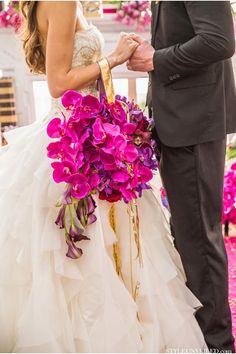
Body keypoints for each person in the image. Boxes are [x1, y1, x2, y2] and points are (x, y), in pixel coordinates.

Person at [0, 1, 208, 352]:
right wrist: (114, 57)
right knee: (86, 248)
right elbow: (57, 83)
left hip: (94, 130)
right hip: (72, 138)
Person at [128, 1, 236, 352]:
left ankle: (217, 343)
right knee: (188, 236)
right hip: (180, 119)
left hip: (194, 122)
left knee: (199, 240)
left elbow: (220, 40)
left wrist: (156, 60)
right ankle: (201, 338)